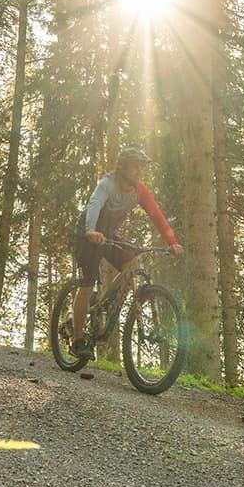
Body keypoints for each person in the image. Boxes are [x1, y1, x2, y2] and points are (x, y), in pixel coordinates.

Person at [71, 146, 183, 360]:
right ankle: (77, 340)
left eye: (142, 168)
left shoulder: (140, 191)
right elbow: (94, 205)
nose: (139, 172)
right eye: (135, 167)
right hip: (87, 234)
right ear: (122, 167)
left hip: (109, 235)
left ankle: (107, 304)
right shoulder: (107, 184)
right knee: (87, 284)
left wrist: (172, 242)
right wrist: (90, 230)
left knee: (132, 259)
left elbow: (157, 216)